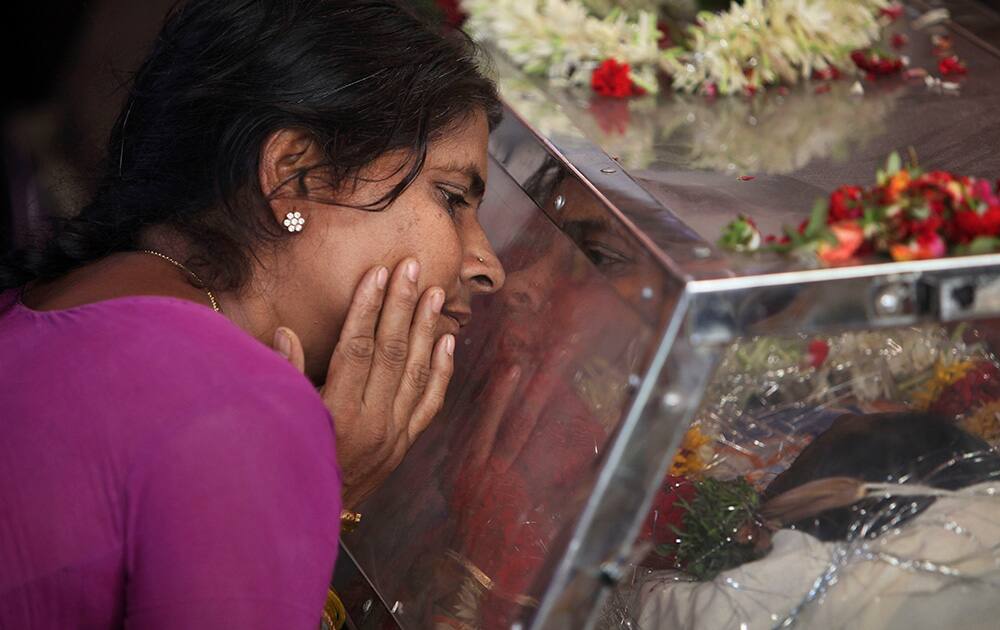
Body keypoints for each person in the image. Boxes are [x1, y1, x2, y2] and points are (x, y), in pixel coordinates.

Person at [0, 1, 505, 628]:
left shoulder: (67, 293)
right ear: (296, 176)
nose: (488, 265)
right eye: (452, 198)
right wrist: (310, 493)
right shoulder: (241, 409)